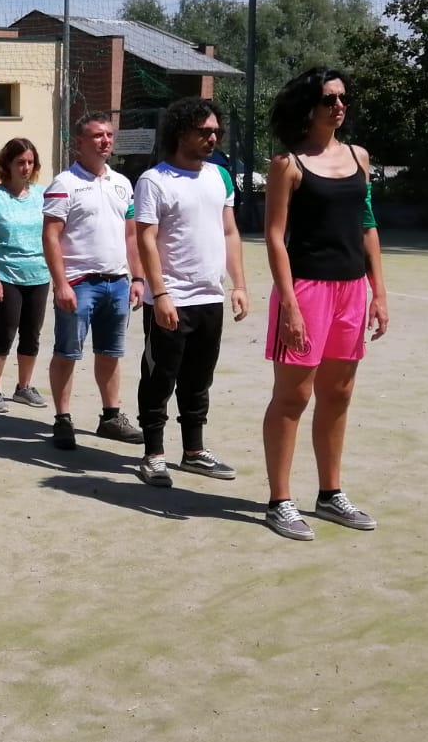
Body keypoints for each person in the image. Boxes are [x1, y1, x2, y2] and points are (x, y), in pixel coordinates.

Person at [260, 68, 389, 541]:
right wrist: (290, 305)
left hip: (351, 290)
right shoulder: (287, 164)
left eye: (342, 98)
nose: (339, 106)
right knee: (293, 396)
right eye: (329, 99)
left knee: (339, 393)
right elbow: (275, 238)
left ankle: (330, 494)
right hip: (306, 290)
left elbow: (367, 225)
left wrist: (379, 292)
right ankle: (280, 500)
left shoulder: (359, 157)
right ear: (308, 107)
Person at [132, 98, 249, 488]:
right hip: (171, 300)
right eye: (204, 131)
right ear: (182, 132)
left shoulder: (220, 177)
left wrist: (238, 285)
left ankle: (194, 451)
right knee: (159, 376)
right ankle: (153, 454)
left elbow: (230, 232)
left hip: (209, 298)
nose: (212, 138)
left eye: (216, 131)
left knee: (199, 379)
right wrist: (161, 294)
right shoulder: (154, 180)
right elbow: (146, 240)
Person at [42, 113, 146, 452]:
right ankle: (62, 419)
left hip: (117, 283)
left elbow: (131, 235)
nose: (105, 141)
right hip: (79, 283)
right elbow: (51, 236)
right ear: (80, 142)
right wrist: (61, 284)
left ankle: (110, 418)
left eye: (109, 135)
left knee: (111, 353)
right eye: (98, 136)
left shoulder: (123, 183)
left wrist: (138, 277)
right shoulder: (64, 183)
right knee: (67, 353)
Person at [0, 138, 50, 412]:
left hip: (39, 274)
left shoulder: (42, 195)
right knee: (5, 333)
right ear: (8, 164)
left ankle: (24, 387)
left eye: (30, 162)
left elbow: (52, 234)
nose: (26, 167)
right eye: (20, 162)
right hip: (6, 275)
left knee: (32, 334)